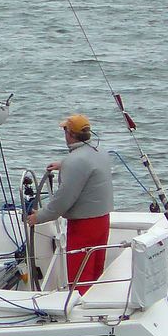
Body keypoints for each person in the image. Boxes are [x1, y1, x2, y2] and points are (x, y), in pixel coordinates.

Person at [25, 113, 115, 294]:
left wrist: (39, 217)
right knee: (96, 269)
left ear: (70, 134)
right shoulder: (99, 151)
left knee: (80, 274)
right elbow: (87, 165)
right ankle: (95, 300)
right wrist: (64, 165)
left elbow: (63, 199)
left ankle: (80, 304)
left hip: (83, 225)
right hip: (102, 220)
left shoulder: (75, 161)